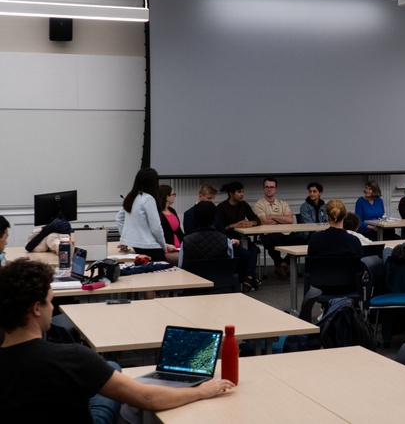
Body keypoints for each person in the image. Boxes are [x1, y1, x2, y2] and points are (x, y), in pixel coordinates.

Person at [0, 259, 234, 423]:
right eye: (50, 302)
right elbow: (148, 398)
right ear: (36, 308)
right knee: (113, 386)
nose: (53, 307)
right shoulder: (71, 358)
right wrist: (202, 391)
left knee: (109, 368)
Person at [116, 167, 169, 262]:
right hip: (150, 245)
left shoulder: (131, 196)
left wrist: (125, 238)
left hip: (136, 246)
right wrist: (163, 246)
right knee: (163, 270)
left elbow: (119, 218)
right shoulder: (148, 199)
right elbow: (156, 227)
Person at [252, 177, 296, 280]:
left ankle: (283, 264)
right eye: (266, 187)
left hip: (285, 232)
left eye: (272, 187)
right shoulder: (259, 204)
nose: (269, 189)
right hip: (268, 233)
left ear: (276, 189)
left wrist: (272, 216)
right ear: (263, 189)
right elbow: (264, 222)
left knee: (300, 240)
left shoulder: (283, 203)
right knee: (272, 240)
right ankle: (280, 263)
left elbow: (289, 220)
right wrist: (281, 218)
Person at [179, 201, 234, 268]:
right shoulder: (226, 241)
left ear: (195, 218)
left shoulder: (185, 242)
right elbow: (230, 266)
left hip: (193, 277)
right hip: (219, 277)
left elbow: (181, 266)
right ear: (214, 218)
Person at [158, 184, 183, 265]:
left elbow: (179, 231)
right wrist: (166, 246)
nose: (174, 196)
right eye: (173, 194)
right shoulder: (158, 214)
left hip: (179, 248)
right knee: (185, 258)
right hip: (167, 250)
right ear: (167, 197)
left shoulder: (172, 210)